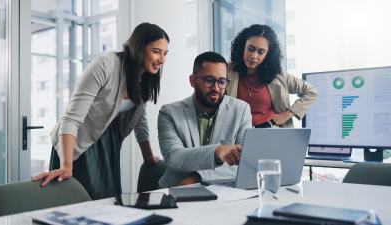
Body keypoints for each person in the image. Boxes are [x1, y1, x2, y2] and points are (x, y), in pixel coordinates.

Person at [31, 23, 169, 200]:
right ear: (138, 48)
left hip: (108, 141)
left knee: (108, 201)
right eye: (156, 51)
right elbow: (71, 118)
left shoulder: (144, 78)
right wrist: (66, 164)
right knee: (87, 202)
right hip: (78, 142)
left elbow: (139, 120)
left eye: (165, 53)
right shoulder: (106, 65)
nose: (162, 60)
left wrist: (149, 158)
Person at [157, 52, 252, 189]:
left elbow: (245, 162)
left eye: (222, 81)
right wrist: (217, 152)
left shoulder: (241, 110)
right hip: (176, 189)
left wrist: (198, 177)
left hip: (225, 191)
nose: (216, 88)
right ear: (193, 81)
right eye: (209, 80)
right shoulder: (169, 112)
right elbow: (174, 158)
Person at [226, 24, 318, 128]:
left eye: (261, 52)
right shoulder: (226, 70)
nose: (254, 56)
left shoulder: (277, 73)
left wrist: (287, 115)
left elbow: (311, 92)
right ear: (242, 46)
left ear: (267, 54)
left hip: (271, 132)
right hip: (237, 135)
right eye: (251, 49)